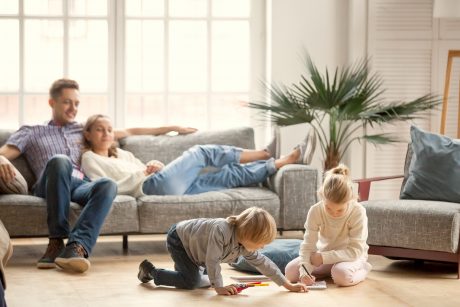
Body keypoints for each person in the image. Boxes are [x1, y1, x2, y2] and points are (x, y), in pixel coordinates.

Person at [0, 79, 196, 273]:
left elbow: (130, 131)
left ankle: (76, 248)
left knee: (107, 185)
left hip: (79, 185)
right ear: (52, 103)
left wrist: (172, 128)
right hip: (50, 183)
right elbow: (6, 152)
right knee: (60, 160)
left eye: (76, 103)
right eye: (67, 102)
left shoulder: (83, 129)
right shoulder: (32, 131)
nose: (73, 108)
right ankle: (56, 241)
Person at [80, 114, 312, 197]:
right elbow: (102, 187)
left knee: (227, 176)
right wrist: (143, 174)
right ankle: (264, 152)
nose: (106, 134)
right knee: (200, 152)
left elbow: (144, 166)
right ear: (88, 134)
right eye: (99, 129)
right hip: (150, 187)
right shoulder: (90, 158)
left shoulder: (121, 153)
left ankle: (282, 161)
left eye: (109, 129)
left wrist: (154, 164)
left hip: (162, 183)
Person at [137, 207, 308, 295]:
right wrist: (219, 287)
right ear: (247, 235)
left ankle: (184, 273)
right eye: (260, 243)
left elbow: (264, 264)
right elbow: (212, 260)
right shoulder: (221, 230)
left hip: (198, 251)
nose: (262, 247)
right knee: (191, 282)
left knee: (200, 280)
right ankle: (151, 271)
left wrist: (288, 285)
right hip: (180, 240)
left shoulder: (245, 245)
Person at [284, 164, 372, 287]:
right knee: (290, 273)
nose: (334, 214)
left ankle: (363, 269)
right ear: (322, 196)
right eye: (328, 208)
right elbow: (308, 246)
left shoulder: (358, 212)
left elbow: (355, 251)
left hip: (350, 257)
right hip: (323, 256)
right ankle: (329, 272)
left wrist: (323, 257)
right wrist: (305, 273)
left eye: (340, 210)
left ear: (351, 199)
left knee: (342, 276)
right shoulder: (315, 210)